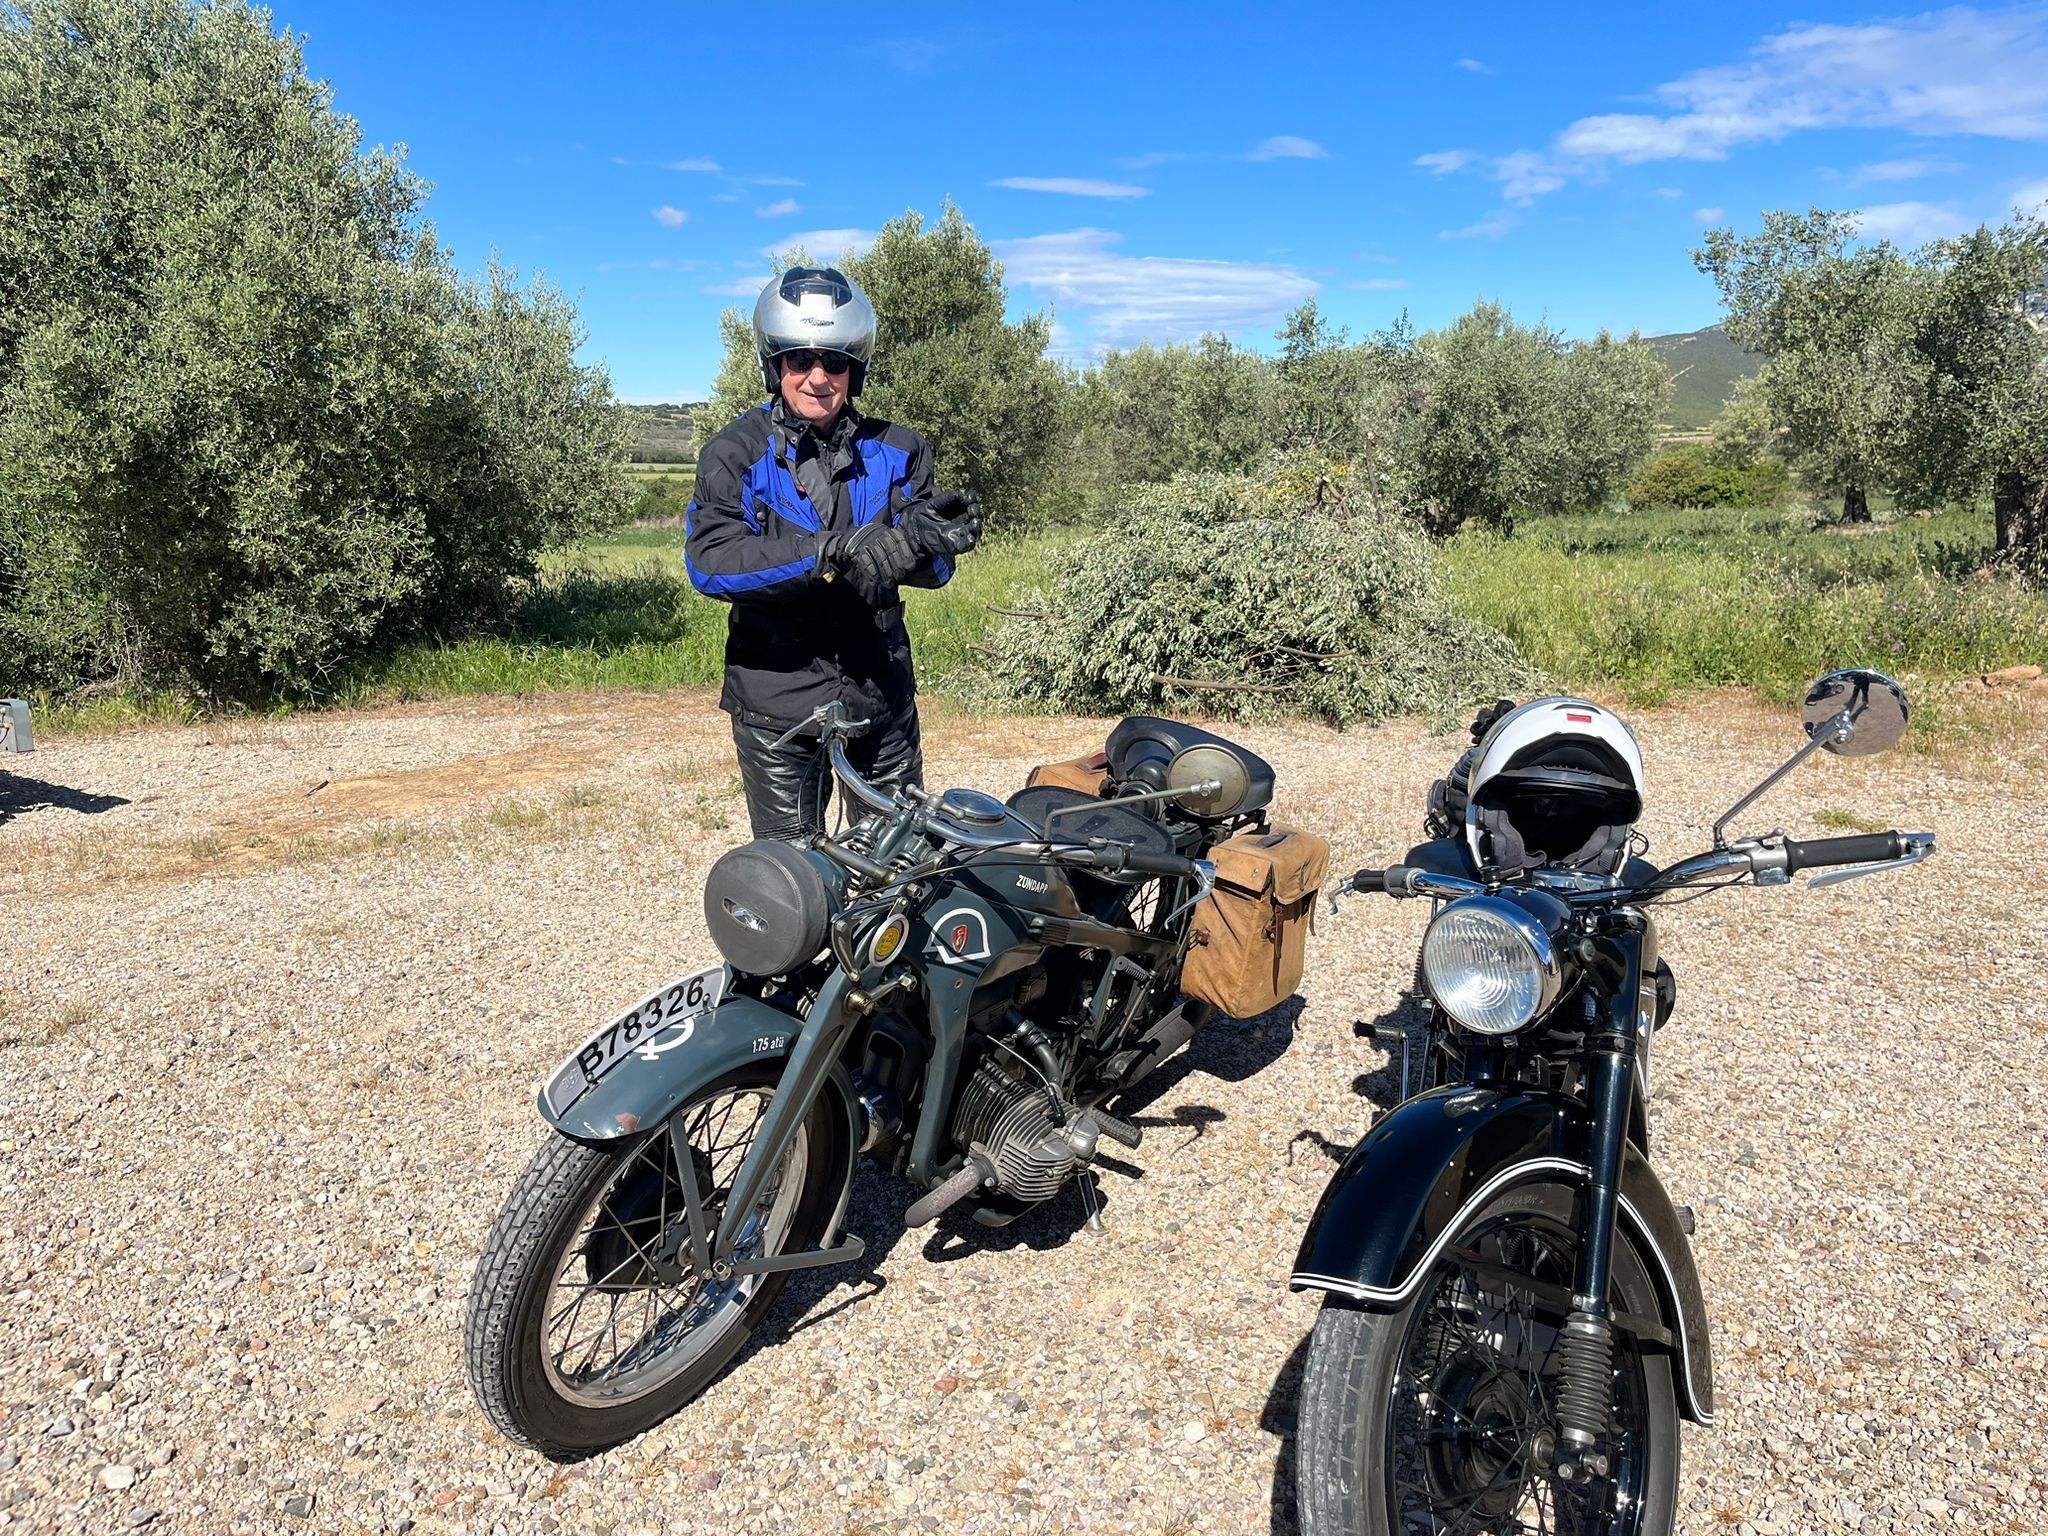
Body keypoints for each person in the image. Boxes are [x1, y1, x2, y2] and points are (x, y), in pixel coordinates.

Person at [685, 267, 983, 840]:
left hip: (881, 689)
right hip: (777, 698)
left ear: (855, 368)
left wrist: (925, 543)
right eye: (800, 361)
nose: (818, 377)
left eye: (835, 362)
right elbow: (711, 561)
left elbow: (936, 571)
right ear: (775, 365)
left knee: (898, 865)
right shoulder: (734, 453)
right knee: (792, 875)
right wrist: (829, 550)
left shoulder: (899, 449)